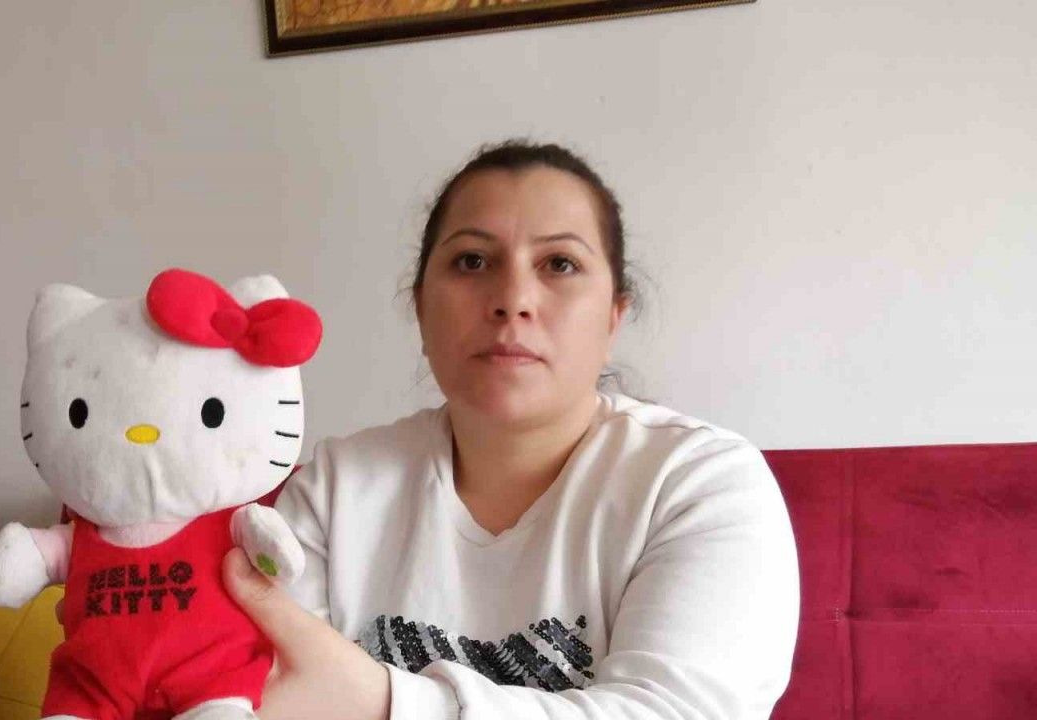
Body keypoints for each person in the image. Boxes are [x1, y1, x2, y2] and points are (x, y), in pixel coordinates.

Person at [226, 139, 799, 720]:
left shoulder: (699, 483)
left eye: (560, 264)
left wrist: (384, 702)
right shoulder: (335, 486)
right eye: (473, 261)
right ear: (421, 308)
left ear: (613, 318)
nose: (512, 299)